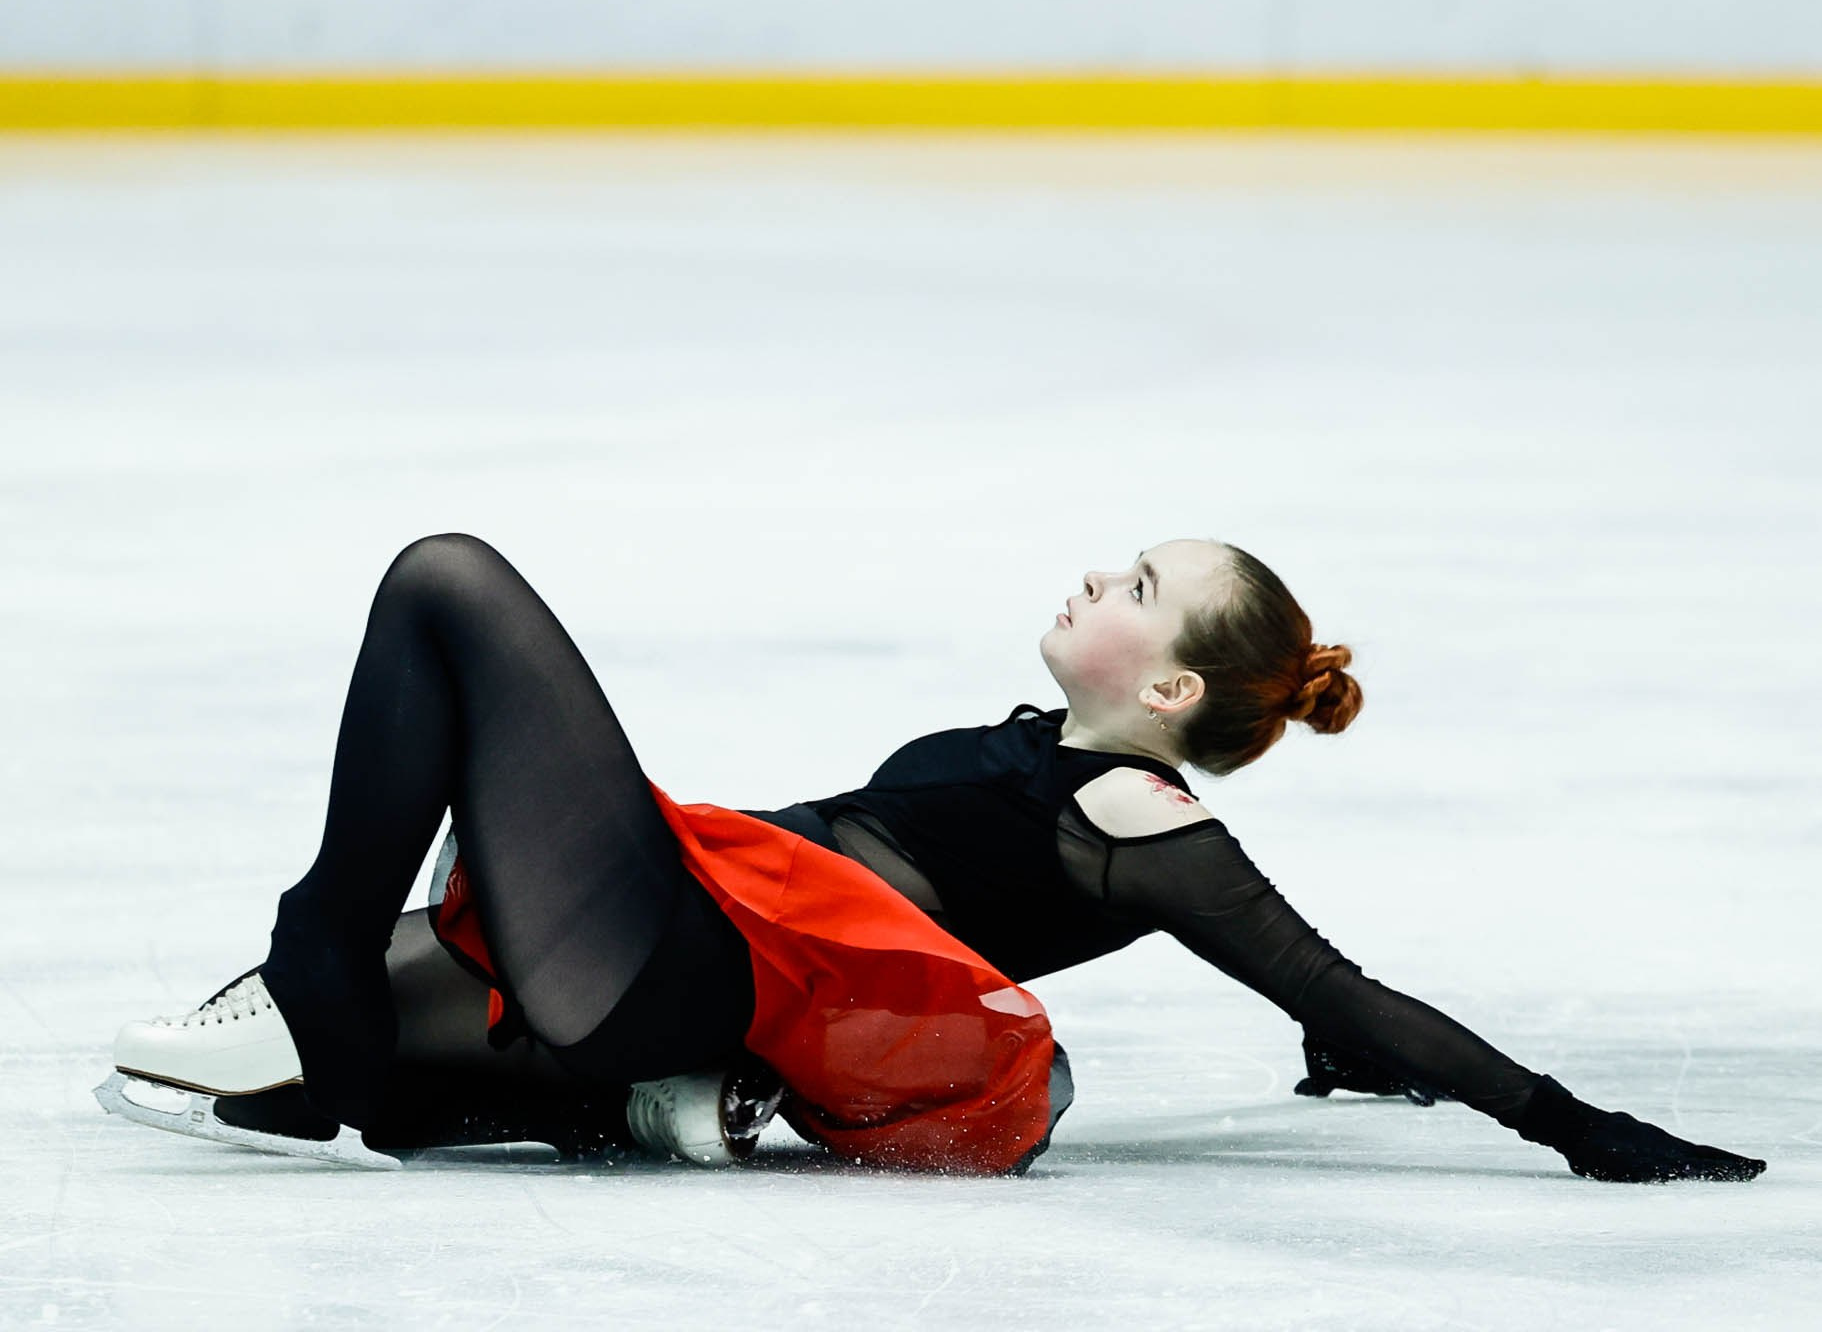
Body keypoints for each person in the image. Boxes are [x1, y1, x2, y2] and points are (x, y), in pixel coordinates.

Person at [97, 533, 1767, 1183]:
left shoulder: (1143, 826)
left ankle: (334, 960)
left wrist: (1570, 1126)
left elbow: (1334, 980)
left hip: (680, 955)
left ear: (1168, 692)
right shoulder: (1048, 751)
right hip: (663, 960)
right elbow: (1333, 1017)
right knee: (307, 1081)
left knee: (447, 586)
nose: (1093, 579)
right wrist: (1341, 1055)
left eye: (1132, 589)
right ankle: (587, 1099)